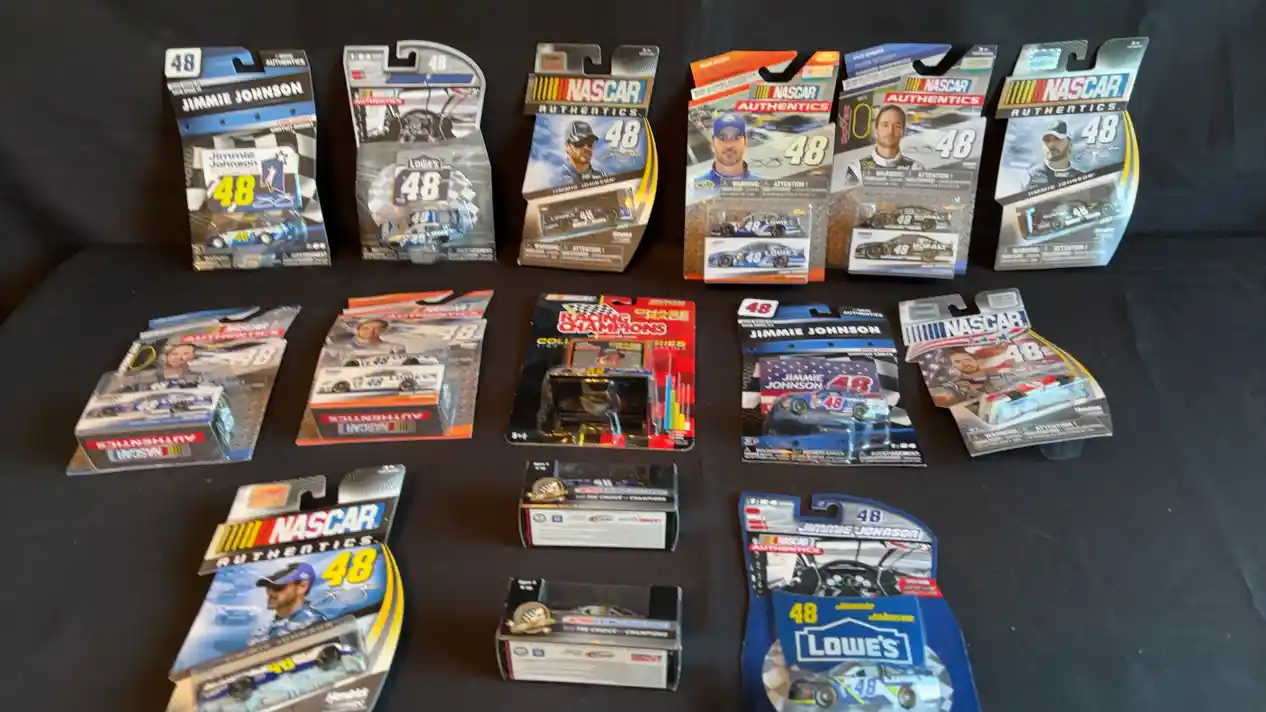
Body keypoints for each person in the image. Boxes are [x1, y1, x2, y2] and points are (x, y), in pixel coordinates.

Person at [248, 563, 328, 645]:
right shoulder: (267, 627)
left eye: (278, 587)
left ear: (302, 587)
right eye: (268, 587)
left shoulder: (313, 622)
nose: (270, 592)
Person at [844, 105, 923, 184]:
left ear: (903, 131)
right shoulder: (857, 169)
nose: (890, 131)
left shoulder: (915, 169)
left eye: (897, 126)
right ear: (876, 128)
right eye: (885, 125)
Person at [1024, 120, 1085, 190]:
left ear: (1070, 144)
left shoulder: (1082, 178)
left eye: (1057, 139)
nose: (1051, 145)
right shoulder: (1029, 177)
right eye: (1047, 140)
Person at [702, 113, 759, 185]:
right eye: (722, 138)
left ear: (745, 142)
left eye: (736, 137)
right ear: (713, 144)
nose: (729, 145)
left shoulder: (759, 184)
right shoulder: (698, 186)